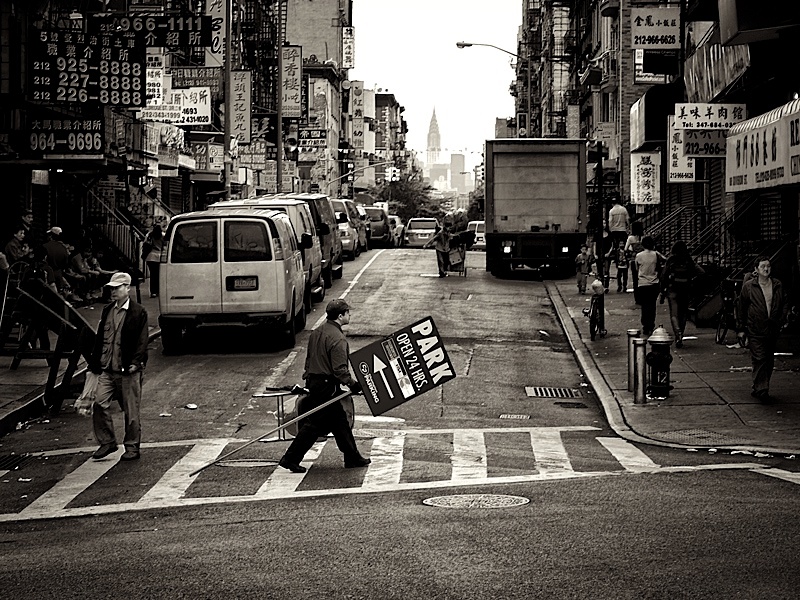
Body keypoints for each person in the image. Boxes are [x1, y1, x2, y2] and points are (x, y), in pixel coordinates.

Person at [278, 298, 369, 473]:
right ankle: (290, 458)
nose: (350, 315)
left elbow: (309, 359)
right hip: (327, 386)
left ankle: (352, 457)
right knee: (315, 425)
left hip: (315, 382)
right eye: (348, 313)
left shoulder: (317, 332)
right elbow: (340, 369)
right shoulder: (338, 339)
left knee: (339, 421)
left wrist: (308, 379)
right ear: (340, 316)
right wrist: (353, 384)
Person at [87, 272, 149, 461]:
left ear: (127, 288)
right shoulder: (108, 310)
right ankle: (107, 442)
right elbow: (100, 338)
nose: (113, 291)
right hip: (107, 367)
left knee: (131, 411)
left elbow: (142, 340)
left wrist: (136, 362)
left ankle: (132, 446)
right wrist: (95, 363)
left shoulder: (138, 312)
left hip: (128, 370)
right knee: (99, 402)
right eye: (112, 288)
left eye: (117, 287)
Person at [736, 256, 789, 403]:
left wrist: (782, 318)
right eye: (763, 266)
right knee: (759, 357)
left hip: (772, 328)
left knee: (768, 358)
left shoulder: (777, 285)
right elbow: (741, 308)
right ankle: (762, 389)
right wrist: (741, 328)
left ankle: (760, 385)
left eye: (768, 266)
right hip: (755, 328)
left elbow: (784, 302)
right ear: (756, 270)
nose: (766, 269)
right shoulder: (749, 287)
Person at [659, 241, 704, 348]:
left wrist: (662, 290)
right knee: (683, 314)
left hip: (672, 289)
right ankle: (681, 333)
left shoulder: (671, 260)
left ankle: (677, 333)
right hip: (685, 289)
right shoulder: (688, 260)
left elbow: (664, 275)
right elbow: (701, 272)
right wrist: (692, 281)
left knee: (674, 314)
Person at [634, 236, 665, 336]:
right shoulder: (655, 254)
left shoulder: (639, 255)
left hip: (643, 283)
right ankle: (651, 325)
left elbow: (636, 268)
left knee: (644, 305)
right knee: (652, 305)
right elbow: (665, 259)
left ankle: (645, 325)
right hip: (654, 282)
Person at [143, 224, 164, 298]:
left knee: (152, 275)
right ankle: (158, 291)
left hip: (150, 256)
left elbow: (145, 243)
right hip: (159, 257)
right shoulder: (163, 236)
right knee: (159, 275)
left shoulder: (149, 235)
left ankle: (153, 292)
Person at [625, 220, 645, 293]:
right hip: (643, 259)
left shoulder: (631, 238)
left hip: (634, 259)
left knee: (635, 278)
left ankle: (637, 295)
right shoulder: (643, 237)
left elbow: (625, 248)